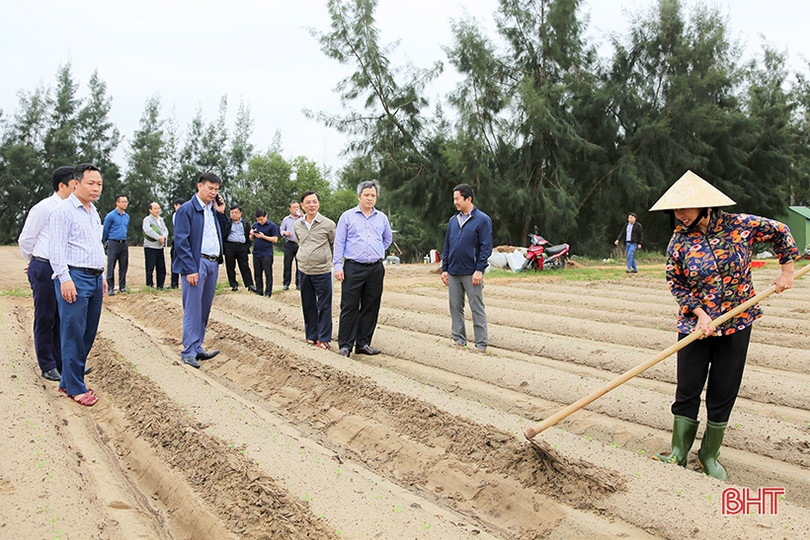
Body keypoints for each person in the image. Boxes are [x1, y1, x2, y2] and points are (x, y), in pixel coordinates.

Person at [649, 170, 798, 481]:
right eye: (676, 209)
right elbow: (674, 282)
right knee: (688, 387)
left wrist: (787, 270)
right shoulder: (679, 240)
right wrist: (699, 313)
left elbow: (781, 230)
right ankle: (678, 453)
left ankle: (708, 454)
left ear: (706, 205)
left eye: (686, 207)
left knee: (723, 388)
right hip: (696, 325)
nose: (680, 214)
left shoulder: (740, 226)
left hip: (738, 321)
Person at [48, 163, 107, 406]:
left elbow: (95, 246)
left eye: (99, 184)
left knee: (87, 333)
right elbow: (56, 249)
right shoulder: (64, 211)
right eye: (90, 183)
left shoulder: (93, 211)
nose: (96, 188)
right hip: (75, 277)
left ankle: (69, 381)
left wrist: (102, 276)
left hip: (94, 277)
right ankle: (74, 386)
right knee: (72, 332)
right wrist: (65, 279)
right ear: (76, 183)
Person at [18, 166, 76, 381]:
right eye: (74, 184)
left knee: (63, 317)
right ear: (62, 185)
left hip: (66, 268)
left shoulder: (74, 209)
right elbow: (26, 239)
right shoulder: (44, 208)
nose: (78, 187)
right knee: (45, 316)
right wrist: (34, 261)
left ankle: (63, 363)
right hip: (45, 266)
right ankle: (47, 364)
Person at [173, 172, 228, 368]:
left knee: (204, 309)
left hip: (212, 263)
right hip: (197, 264)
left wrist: (221, 213)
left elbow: (224, 233)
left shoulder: (212, 210)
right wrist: (190, 268)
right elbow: (181, 241)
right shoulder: (187, 209)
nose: (213, 192)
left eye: (216, 189)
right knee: (193, 309)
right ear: (200, 186)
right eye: (210, 188)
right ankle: (188, 350)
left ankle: (197, 347)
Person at [333, 180, 393, 357]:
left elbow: (387, 239)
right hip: (353, 267)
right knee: (349, 306)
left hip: (375, 268)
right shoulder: (347, 217)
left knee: (371, 306)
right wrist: (338, 265)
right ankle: (345, 345)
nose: (369, 198)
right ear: (359, 196)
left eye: (373, 195)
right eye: (366, 195)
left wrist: (377, 250)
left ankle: (363, 343)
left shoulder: (381, 218)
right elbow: (339, 242)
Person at [441, 183, 493, 353]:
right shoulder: (453, 220)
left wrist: (479, 269)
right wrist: (445, 268)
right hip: (454, 271)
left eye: (457, 199)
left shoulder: (482, 220)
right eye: (454, 199)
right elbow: (447, 246)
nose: (455, 202)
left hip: (472, 273)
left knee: (476, 307)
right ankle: (459, 340)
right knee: (455, 307)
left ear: (468, 198)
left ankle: (481, 344)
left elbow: (486, 247)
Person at [294, 191, 336, 350]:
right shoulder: (298, 224)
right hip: (304, 270)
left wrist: (327, 259)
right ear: (302, 206)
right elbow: (300, 243)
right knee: (308, 303)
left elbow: (333, 245)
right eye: (308, 202)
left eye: (314, 202)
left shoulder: (328, 224)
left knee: (324, 305)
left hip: (322, 271)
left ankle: (324, 339)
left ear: (318, 204)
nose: (311, 205)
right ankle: (311, 335)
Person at [223, 205, 256, 292]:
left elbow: (249, 235)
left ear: (240, 213)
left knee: (245, 266)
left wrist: (247, 246)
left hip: (242, 247)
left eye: (236, 212)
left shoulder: (245, 223)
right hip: (230, 246)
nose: (234, 214)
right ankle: (233, 284)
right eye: (232, 213)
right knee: (230, 266)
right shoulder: (227, 222)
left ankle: (249, 284)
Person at [102, 194, 130, 294]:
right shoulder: (111, 216)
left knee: (123, 265)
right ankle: (110, 287)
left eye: (126, 202)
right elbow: (105, 229)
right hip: (113, 242)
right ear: (117, 203)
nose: (125, 204)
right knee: (111, 265)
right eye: (123, 202)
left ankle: (122, 287)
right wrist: (105, 242)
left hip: (123, 242)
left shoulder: (127, 216)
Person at [249, 209, 279, 296]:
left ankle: (268, 292)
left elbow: (275, 239)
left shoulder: (272, 226)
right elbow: (251, 239)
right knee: (257, 273)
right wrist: (251, 234)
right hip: (256, 252)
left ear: (266, 216)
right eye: (258, 219)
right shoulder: (255, 225)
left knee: (268, 273)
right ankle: (259, 290)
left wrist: (263, 236)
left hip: (267, 253)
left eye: (261, 219)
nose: (260, 221)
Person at [142, 202, 169, 289]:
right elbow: (147, 230)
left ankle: (160, 286)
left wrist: (164, 237)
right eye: (155, 208)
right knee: (150, 268)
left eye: (158, 208)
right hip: (150, 247)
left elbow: (165, 230)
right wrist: (158, 237)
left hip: (160, 247)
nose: (157, 210)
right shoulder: (147, 219)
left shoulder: (161, 219)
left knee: (161, 267)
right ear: (150, 210)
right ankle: (149, 286)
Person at [280, 200, 302, 290]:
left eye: (297, 207)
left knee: (300, 265)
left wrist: (303, 216)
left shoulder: (302, 219)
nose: (296, 209)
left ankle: (299, 284)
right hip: (289, 243)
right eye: (294, 207)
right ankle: (286, 283)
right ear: (290, 209)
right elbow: (281, 229)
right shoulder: (286, 219)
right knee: (287, 264)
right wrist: (285, 233)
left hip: (300, 244)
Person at [170, 198, 184, 289]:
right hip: (176, 241)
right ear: (175, 206)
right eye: (178, 206)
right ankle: (174, 284)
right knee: (174, 262)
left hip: (184, 241)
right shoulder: (175, 215)